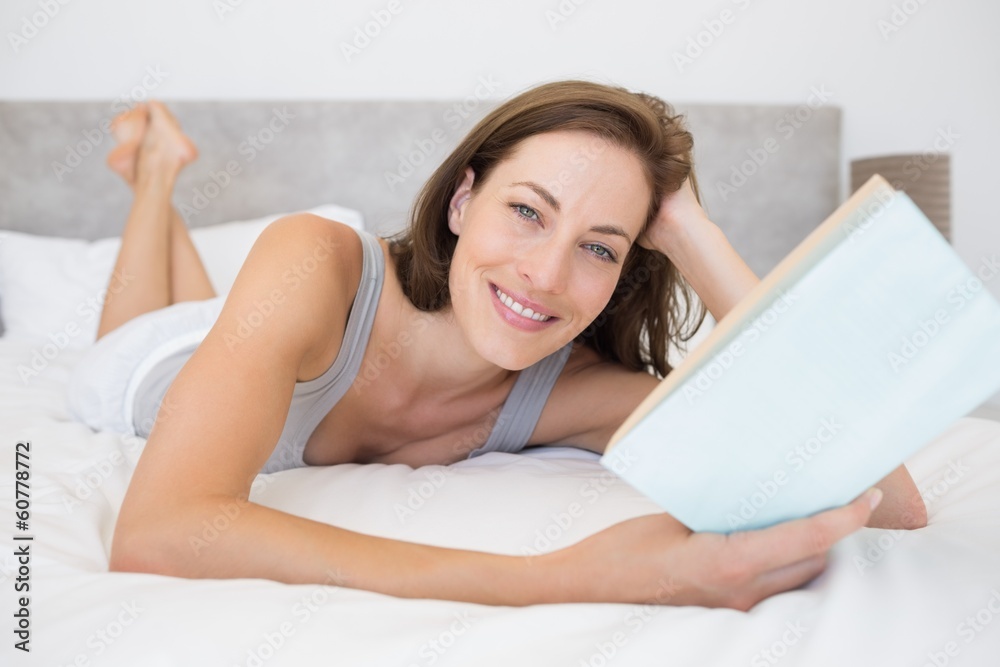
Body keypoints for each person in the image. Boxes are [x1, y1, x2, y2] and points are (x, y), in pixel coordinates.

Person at [69, 80, 927, 610]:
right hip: (153, 361)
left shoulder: (579, 391)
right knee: (136, 328)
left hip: (248, 333)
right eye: (526, 211)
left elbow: (888, 503)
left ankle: (158, 175)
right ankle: (154, 178)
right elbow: (161, 530)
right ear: (460, 200)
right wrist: (560, 578)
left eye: (600, 247)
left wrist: (695, 236)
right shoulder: (312, 258)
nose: (546, 275)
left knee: (218, 309)